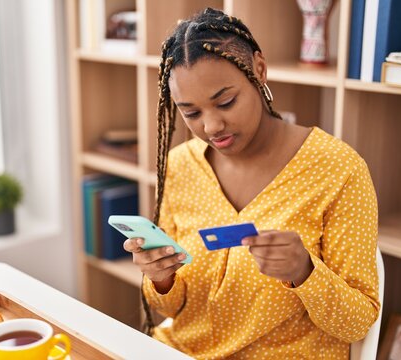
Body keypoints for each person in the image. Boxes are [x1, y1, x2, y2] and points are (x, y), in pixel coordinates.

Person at [123, 8, 380, 359]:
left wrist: (305, 272)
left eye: (226, 102)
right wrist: (161, 278)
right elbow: (170, 309)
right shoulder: (181, 165)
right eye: (192, 113)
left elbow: (357, 323)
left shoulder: (338, 170)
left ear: (259, 69)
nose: (211, 127)